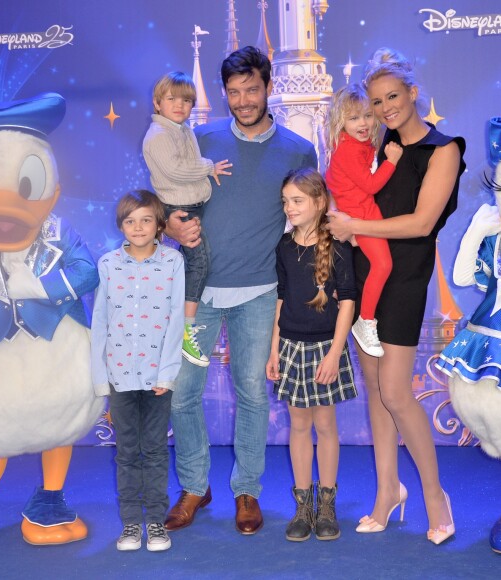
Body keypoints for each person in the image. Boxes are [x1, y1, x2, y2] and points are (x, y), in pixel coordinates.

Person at [163, 46, 318, 535]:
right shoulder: (198, 138)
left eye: (252, 89)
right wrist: (170, 223)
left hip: (259, 293)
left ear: (268, 86)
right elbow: (166, 196)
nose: (244, 99)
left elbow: (309, 217)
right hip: (197, 294)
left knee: (251, 392)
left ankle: (246, 489)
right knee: (183, 393)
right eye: (234, 91)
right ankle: (193, 485)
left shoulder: (297, 149)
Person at [327, 48, 466, 545]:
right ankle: (388, 492)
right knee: (376, 395)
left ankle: (434, 495)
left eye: (393, 97)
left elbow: (422, 223)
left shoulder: (442, 149)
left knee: (396, 393)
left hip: (405, 279)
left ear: (413, 93)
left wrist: (351, 225)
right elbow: (347, 185)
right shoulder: (376, 141)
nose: (385, 107)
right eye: (376, 100)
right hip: (365, 275)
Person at [266, 168, 357, 542]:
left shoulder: (338, 246)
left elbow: (348, 301)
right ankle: (303, 505)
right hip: (290, 346)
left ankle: (327, 503)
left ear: (319, 202)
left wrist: (335, 353)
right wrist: (274, 349)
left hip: (324, 349)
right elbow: (281, 299)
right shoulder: (284, 246)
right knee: (299, 426)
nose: (289, 207)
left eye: (297, 201)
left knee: (325, 427)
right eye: (286, 201)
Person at [91, 190, 185, 552]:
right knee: (127, 452)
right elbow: (100, 322)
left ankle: (156, 523)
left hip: (157, 377)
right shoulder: (109, 264)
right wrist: (101, 377)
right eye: (130, 221)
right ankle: (132, 523)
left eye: (146, 219)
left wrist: (167, 373)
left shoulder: (173, 262)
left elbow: (177, 320)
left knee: (157, 450)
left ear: (159, 224)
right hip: (119, 376)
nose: (138, 227)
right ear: (121, 226)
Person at [142, 71, 232, 367]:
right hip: (180, 208)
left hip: (193, 203)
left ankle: (175, 318)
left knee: (192, 262)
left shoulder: (182, 130)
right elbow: (175, 171)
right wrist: (209, 167)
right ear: (157, 103)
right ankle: (185, 327)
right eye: (172, 100)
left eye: (186, 101)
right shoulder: (158, 135)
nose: (180, 106)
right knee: (199, 261)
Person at [325, 84, 402, 358]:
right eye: (354, 118)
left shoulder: (359, 144)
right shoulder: (347, 150)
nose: (363, 123)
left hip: (359, 211)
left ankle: (364, 318)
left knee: (379, 266)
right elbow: (370, 185)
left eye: (368, 116)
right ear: (340, 122)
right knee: (383, 264)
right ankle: (365, 320)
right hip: (361, 214)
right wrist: (391, 161)